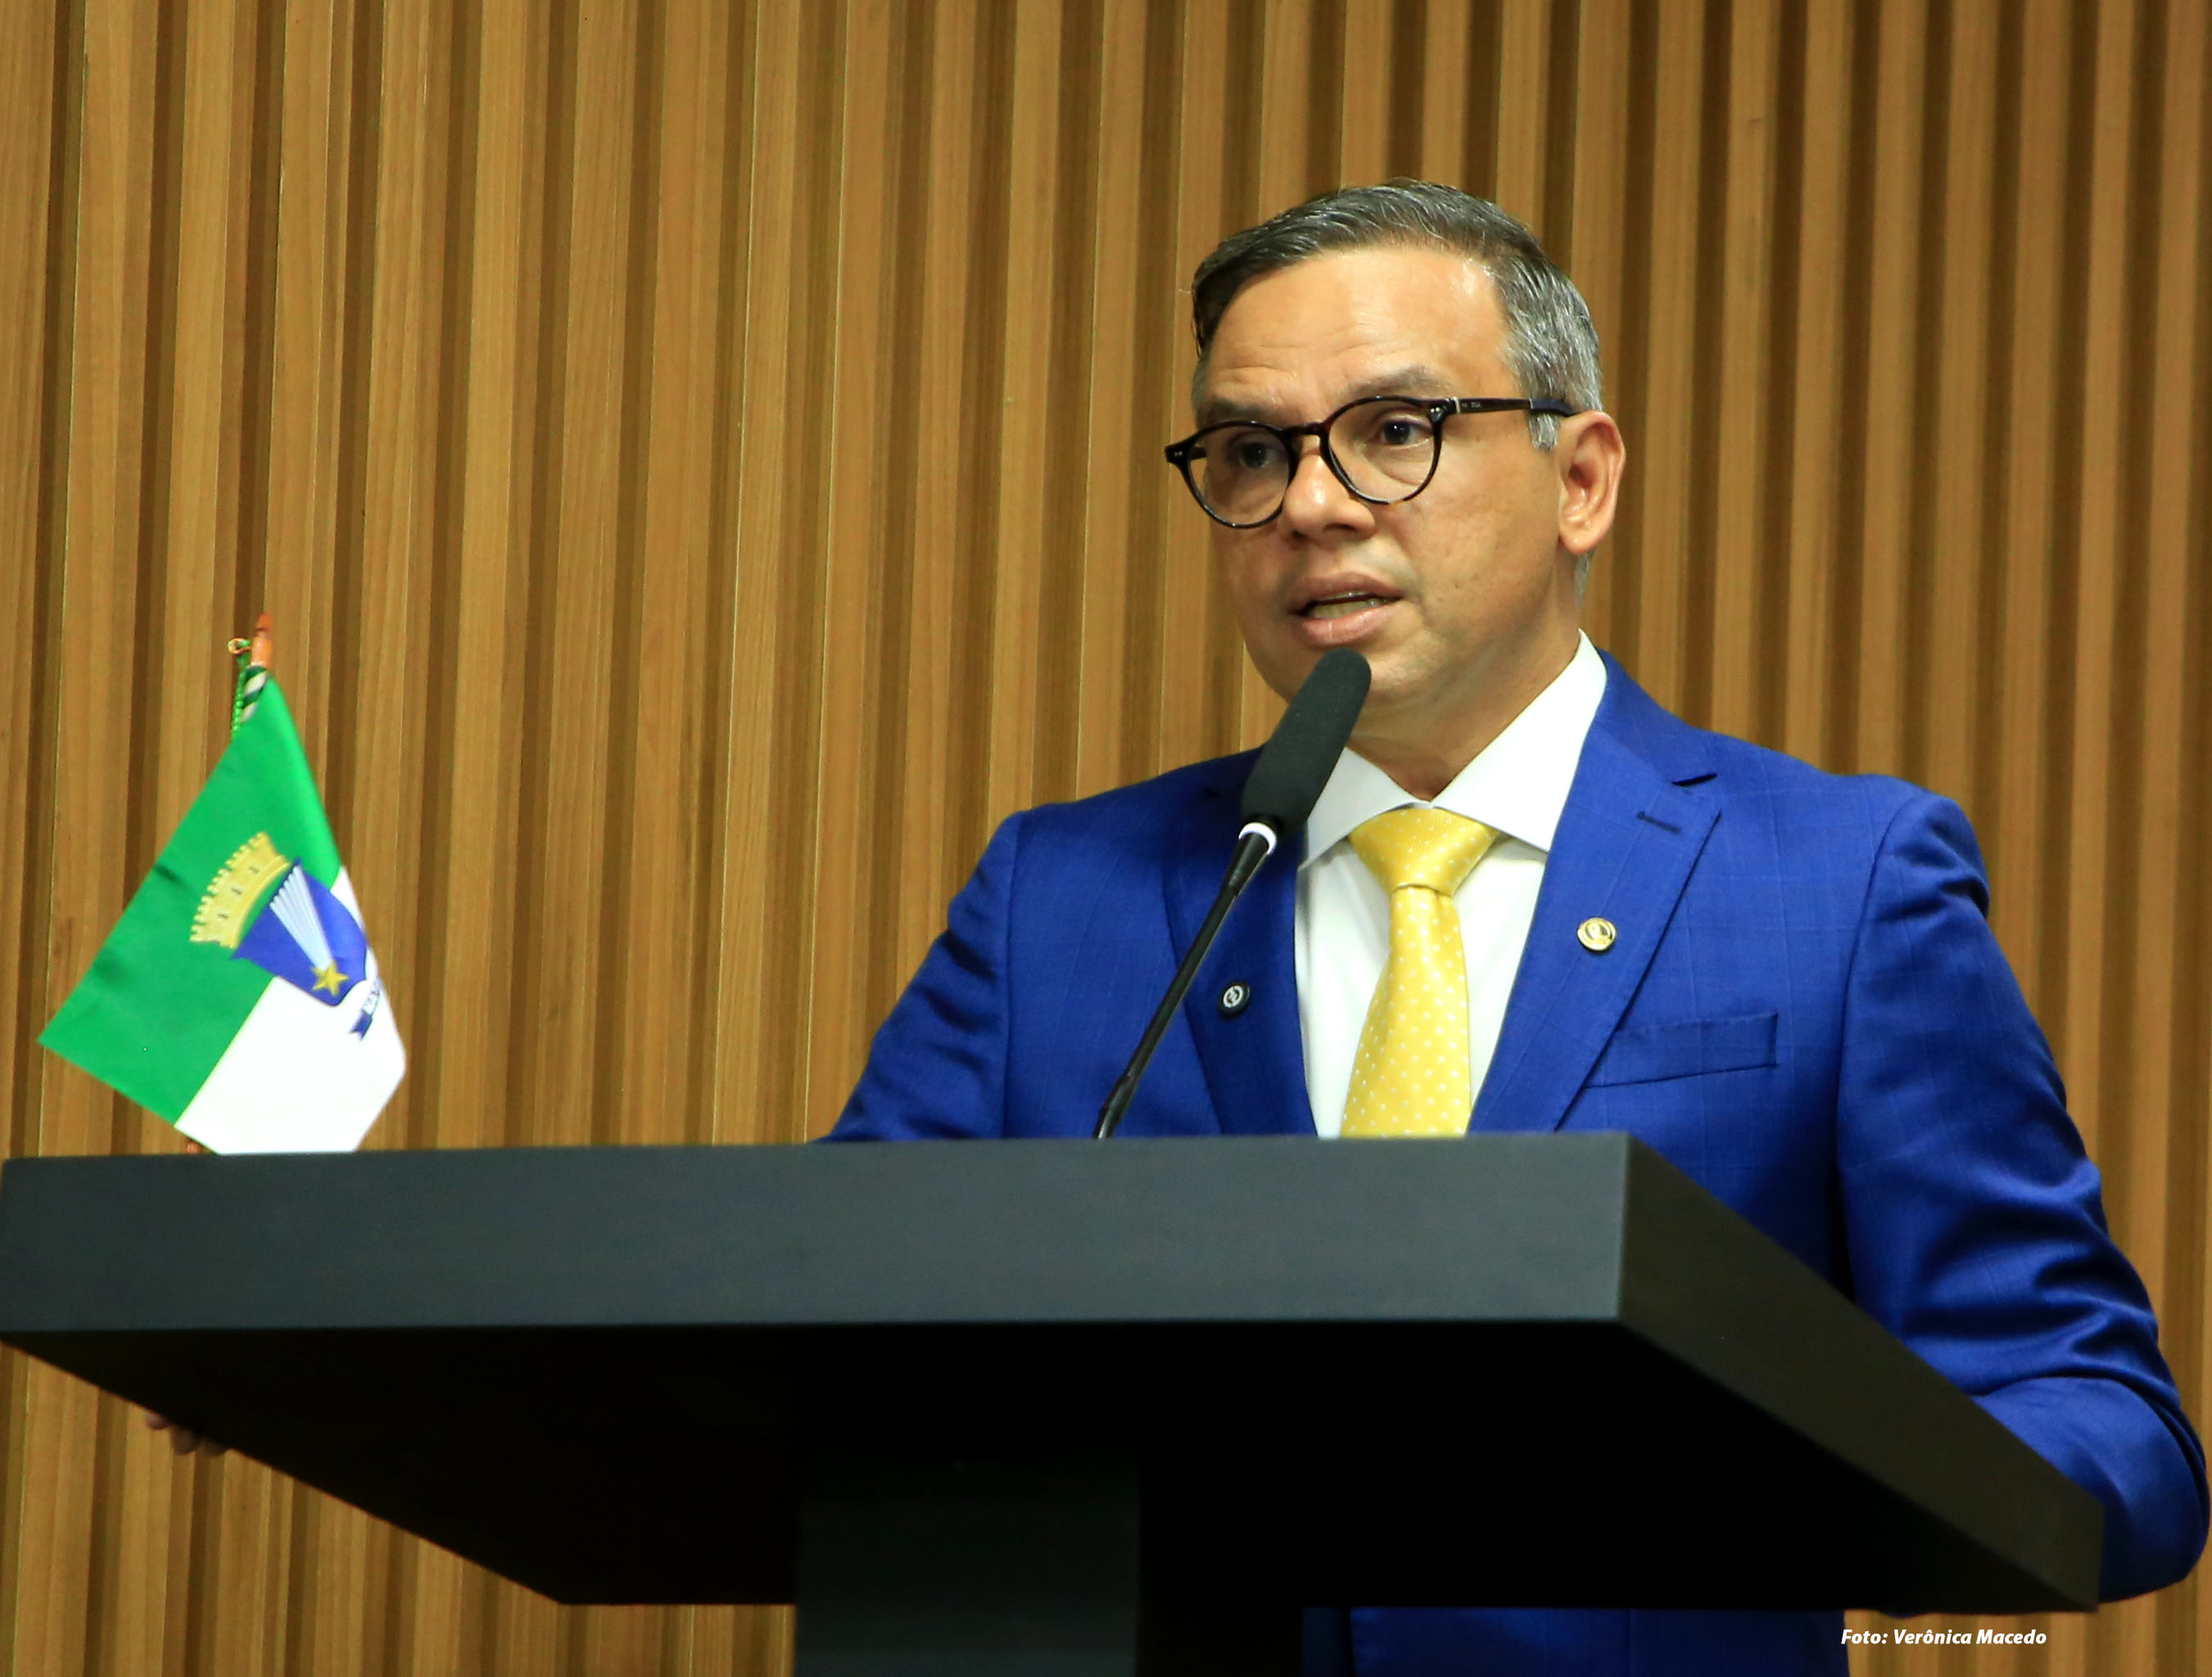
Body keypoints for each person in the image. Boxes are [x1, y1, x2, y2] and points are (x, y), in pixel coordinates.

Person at [827, 180, 2206, 1676]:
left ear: (1581, 481)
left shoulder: (1839, 885)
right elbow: (826, 1355)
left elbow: (2098, 1425)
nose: (1311, 504)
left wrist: (1768, 1486)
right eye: (1251, 452)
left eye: (1394, 431)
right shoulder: (1057, 897)